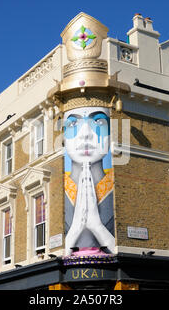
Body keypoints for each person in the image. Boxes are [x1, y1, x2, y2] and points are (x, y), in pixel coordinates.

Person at [63, 106, 115, 256]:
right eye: (73, 124)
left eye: (99, 122)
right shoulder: (58, 190)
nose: (85, 134)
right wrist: (74, 230)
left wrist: (97, 227)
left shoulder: (121, 187)